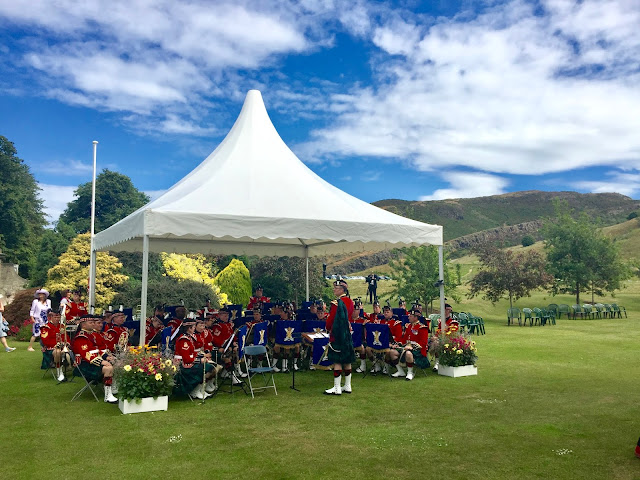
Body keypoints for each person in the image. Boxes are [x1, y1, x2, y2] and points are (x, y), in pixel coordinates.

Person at [71, 315, 118, 403]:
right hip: (84, 364)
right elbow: (87, 354)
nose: (93, 324)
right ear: (83, 325)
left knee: (114, 362)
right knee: (108, 368)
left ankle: (112, 388)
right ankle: (108, 395)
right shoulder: (81, 337)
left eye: (93, 322)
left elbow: (96, 350)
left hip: (91, 362)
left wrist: (106, 357)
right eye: (91, 323)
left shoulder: (90, 335)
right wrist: (102, 362)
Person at [324, 279, 356, 395]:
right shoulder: (350, 302)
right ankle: (347, 386)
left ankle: (337, 388)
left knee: (337, 360)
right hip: (347, 333)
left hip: (337, 334)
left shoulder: (336, 303)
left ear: (342, 290)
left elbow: (331, 319)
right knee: (347, 359)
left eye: (336, 288)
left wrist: (327, 328)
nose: (334, 289)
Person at [174, 320, 219, 399]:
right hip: (183, 365)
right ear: (189, 328)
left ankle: (200, 389)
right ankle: (194, 390)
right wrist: (200, 360)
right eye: (194, 327)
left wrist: (202, 356)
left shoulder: (189, 338)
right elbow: (186, 358)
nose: (195, 329)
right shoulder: (184, 340)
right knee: (207, 368)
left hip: (189, 362)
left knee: (211, 366)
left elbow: (193, 353)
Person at [387, 309, 429, 380]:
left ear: (415, 318)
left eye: (410, 316)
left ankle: (410, 372)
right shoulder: (408, 326)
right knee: (392, 352)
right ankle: (400, 371)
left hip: (417, 350)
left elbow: (423, 343)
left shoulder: (422, 327)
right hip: (406, 347)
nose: (408, 317)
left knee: (408, 353)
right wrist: (398, 344)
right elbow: (404, 338)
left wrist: (411, 346)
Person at [40, 311, 72, 381]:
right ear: (51, 318)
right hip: (50, 349)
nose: (57, 319)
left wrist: (66, 343)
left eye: (58, 317)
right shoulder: (45, 327)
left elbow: (66, 337)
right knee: (57, 352)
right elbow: (45, 341)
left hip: (63, 347)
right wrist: (57, 345)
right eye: (55, 317)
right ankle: (59, 372)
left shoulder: (62, 326)